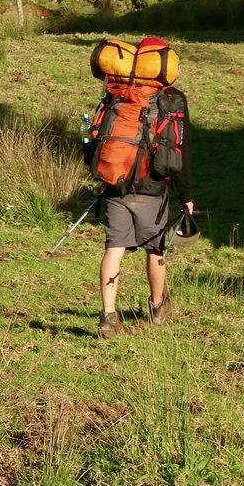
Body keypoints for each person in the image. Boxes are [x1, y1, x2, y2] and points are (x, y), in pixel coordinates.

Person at [95, 36, 193, 337]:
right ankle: (157, 305)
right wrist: (186, 195)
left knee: (114, 248)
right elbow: (180, 150)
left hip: (114, 185)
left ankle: (109, 317)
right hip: (151, 188)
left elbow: (94, 138)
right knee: (155, 247)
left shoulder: (115, 93)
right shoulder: (170, 100)